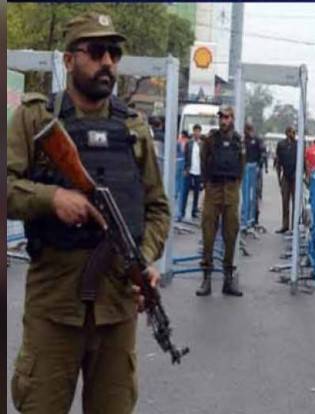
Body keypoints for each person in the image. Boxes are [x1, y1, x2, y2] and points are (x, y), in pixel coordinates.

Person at [7, 12, 170, 413]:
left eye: (114, 53)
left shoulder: (134, 128)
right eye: (96, 52)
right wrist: (51, 199)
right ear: (68, 60)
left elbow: (158, 209)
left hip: (117, 311)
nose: (108, 63)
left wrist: (144, 257)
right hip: (54, 311)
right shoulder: (35, 119)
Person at [196, 106, 245, 297]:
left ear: (232, 118)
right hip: (213, 189)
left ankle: (228, 279)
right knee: (208, 232)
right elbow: (203, 160)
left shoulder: (238, 140)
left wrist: (235, 185)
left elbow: (241, 164)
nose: (223, 120)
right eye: (221, 117)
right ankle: (206, 279)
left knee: (231, 234)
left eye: (226, 117)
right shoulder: (210, 139)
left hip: (231, 190)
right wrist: (207, 183)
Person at [274, 126, 298, 233]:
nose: (293, 134)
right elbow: (278, 162)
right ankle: (285, 225)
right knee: (285, 201)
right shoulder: (281, 145)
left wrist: (305, 177)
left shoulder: (298, 144)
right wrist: (279, 177)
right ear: (287, 133)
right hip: (286, 176)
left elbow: (303, 161)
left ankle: (295, 225)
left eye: (294, 132)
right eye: (291, 132)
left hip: (295, 176)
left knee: (296, 202)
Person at [244, 123, 267, 225]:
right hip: (245, 167)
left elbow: (262, 153)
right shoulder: (244, 140)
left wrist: (260, 166)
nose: (249, 132)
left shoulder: (257, 140)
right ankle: (245, 218)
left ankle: (253, 218)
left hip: (254, 167)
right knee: (245, 195)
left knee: (254, 195)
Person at [179, 124, 204, 221]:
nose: (197, 133)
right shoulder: (189, 143)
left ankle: (194, 211)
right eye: (195, 131)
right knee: (185, 191)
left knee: (196, 192)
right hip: (189, 170)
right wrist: (185, 168)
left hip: (199, 171)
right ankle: (182, 212)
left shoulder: (202, 144)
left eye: (198, 131)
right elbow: (185, 156)